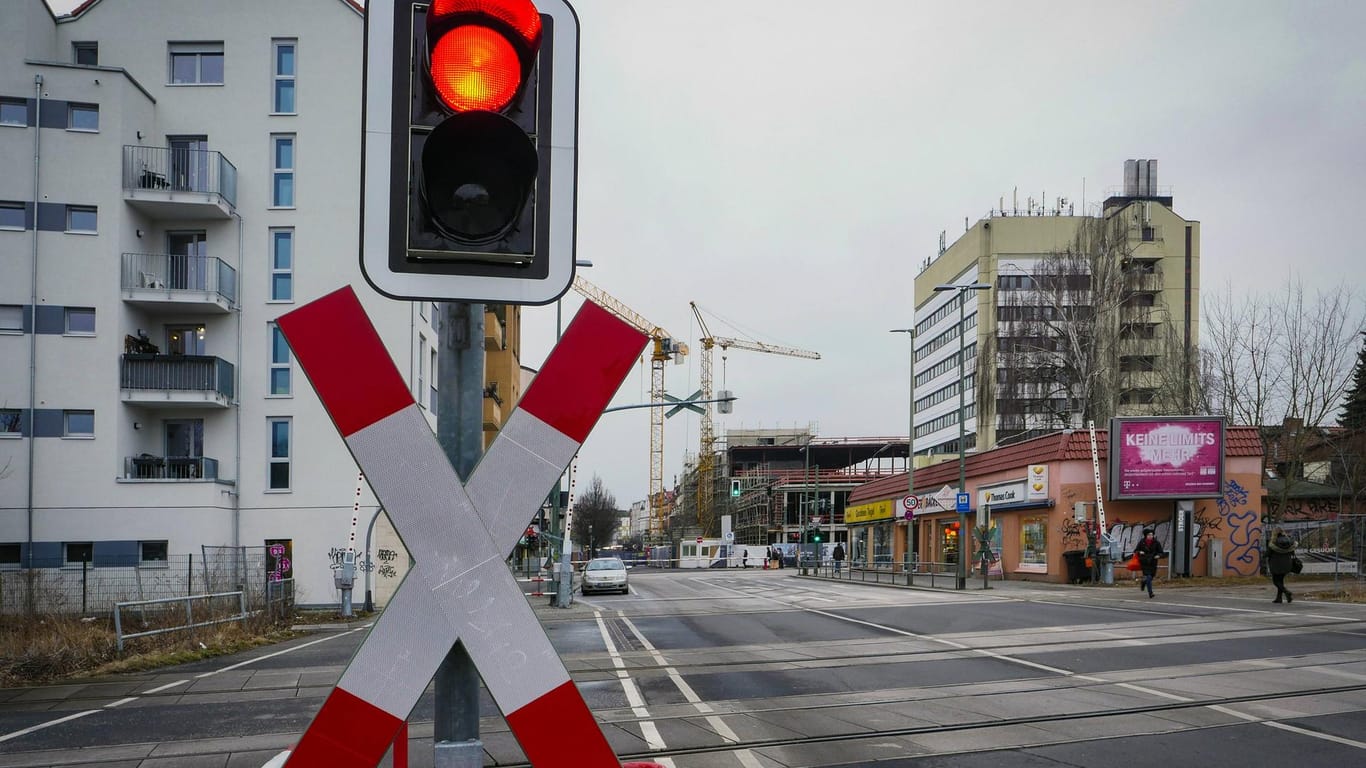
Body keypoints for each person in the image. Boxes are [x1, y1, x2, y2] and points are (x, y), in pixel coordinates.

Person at [1266, 527, 1298, 604]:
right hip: (1287, 564)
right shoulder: (1289, 541)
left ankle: (1286, 592)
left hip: (1276, 564)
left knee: (1275, 581)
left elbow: (1268, 553)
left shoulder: (1273, 542)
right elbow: (1292, 552)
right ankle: (1279, 598)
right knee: (1280, 581)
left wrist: (1265, 556)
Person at [1132, 528, 1165, 598]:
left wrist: (1158, 555)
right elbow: (1136, 550)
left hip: (1153, 562)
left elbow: (1161, 552)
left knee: (1151, 577)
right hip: (1144, 562)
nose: (1151, 536)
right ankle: (1151, 593)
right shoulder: (1142, 542)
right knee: (1148, 577)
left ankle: (1143, 582)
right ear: (1146, 536)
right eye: (1149, 535)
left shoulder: (1156, 542)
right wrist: (1139, 552)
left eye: (1152, 535)